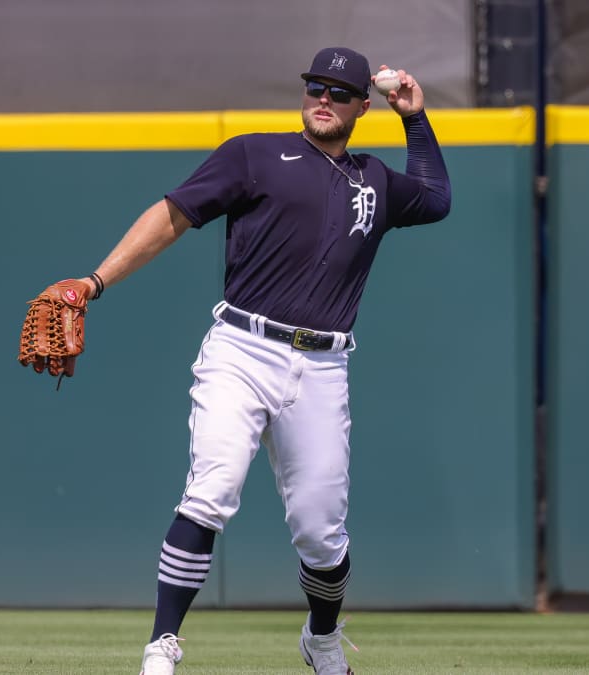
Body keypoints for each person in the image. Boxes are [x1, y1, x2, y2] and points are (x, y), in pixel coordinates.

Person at [65, 46, 450, 674]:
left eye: (338, 92)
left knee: (321, 534)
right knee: (211, 489)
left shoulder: (374, 180)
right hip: (242, 349)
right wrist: (94, 282)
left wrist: (414, 117)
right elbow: (172, 217)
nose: (323, 99)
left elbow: (436, 198)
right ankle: (161, 648)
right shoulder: (256, 154)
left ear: (360, 106)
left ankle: (321, 639)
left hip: (323, 368)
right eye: (314, 87)